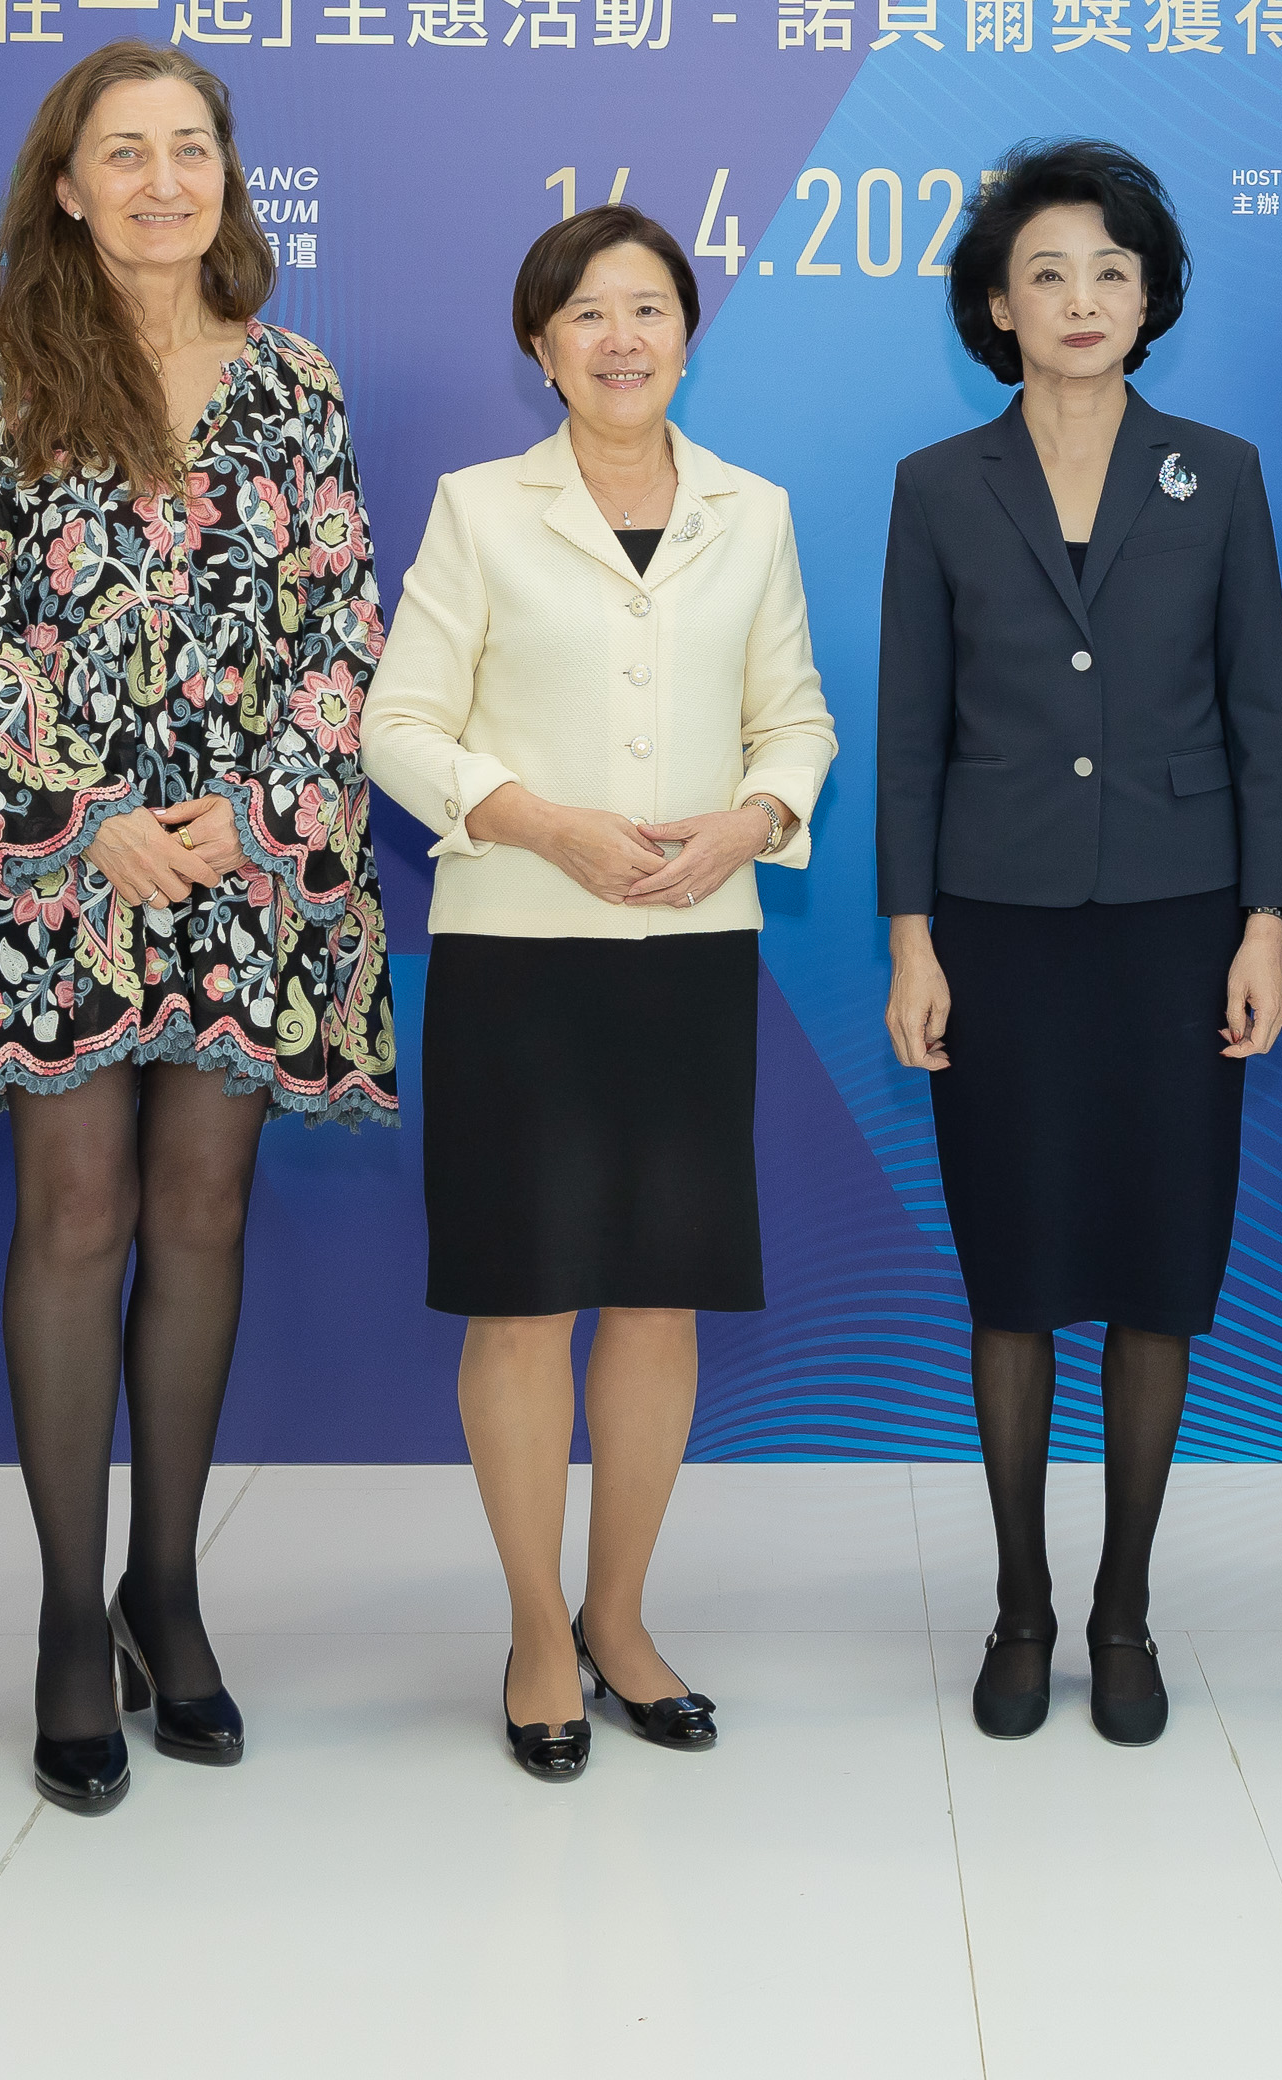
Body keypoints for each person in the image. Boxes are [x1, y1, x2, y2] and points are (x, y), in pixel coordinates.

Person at [0, 44, 392, 1814]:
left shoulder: (298, 381)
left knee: (201, 1214)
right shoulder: (1, 371)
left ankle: (163, 1594)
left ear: (226, 181)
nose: (166, 179)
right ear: (68, 187)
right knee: (76, 1216)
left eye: (194, 149)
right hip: (55, 871)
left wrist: (243, 820)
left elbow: (345, 631)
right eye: (128, 152)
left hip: (253, 868)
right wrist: (95, 819)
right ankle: (58, 1614)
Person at [361, 205, 835, 1782]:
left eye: (647, 308)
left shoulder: (751, 513)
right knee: (523, 1298)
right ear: (539, 347)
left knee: (655, 1295)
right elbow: (399, 725)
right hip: (515, 952)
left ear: (687, 332)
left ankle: (621, 1617)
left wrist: (754, 821)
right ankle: (534, 1630)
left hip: (692, 955)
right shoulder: (481, 511)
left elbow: (800, 723)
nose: (619, 339)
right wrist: (541, 819)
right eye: (585, 316)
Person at [879, 140, 1282, 1748]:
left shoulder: (1220, 471)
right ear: (997, 302)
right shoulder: (937, 484)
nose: (1081, 298)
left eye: (1111, 272)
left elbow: (1263, 716)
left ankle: (1123, 1608)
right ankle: (1022, 1606)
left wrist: (1263, 920)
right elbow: (909, 733)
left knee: (1151, 1271)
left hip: (1179, 924)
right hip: (993, 925)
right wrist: (913, 941)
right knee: (1016, 1272)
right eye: (1047, 272)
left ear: (1150, 301)